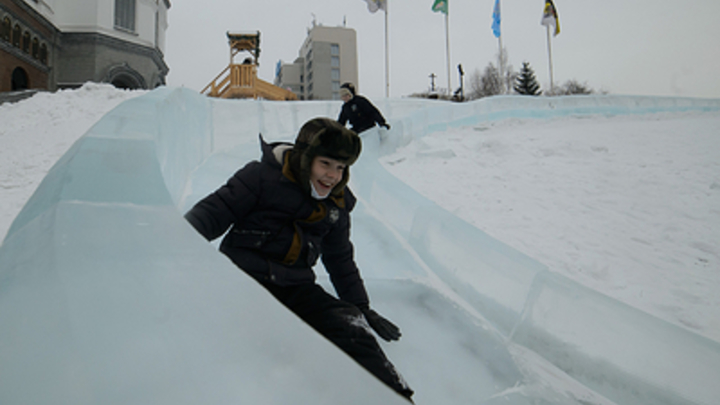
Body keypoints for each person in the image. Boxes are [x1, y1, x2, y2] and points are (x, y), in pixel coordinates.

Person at [184, 118, 414, 401]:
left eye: (341, 168)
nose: (332, 175)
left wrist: (361, 306)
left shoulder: (336, 203)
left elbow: (340, 258)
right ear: (306, 158)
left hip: (296, 287)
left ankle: (396, 396)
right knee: (249, 344)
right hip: (242, 280)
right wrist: (170, 249)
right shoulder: (260, 178)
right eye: (326, 163)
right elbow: (210, 215)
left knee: (350, 324)